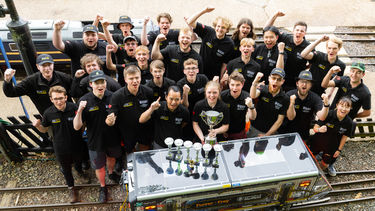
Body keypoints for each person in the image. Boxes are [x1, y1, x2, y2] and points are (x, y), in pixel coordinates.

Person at [32, 86, 88, 203]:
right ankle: (71, 189)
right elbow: (44, 129)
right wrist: (38, 126)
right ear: (51, 99)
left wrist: (81, 133)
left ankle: (80, 172)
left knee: (79, 161)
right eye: (55, 99)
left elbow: (82, 124)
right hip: (60, 146)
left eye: (61, 98)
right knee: (66, 168)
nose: (59, 101)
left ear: (66, 97)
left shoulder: (74, 108)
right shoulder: (48, 113)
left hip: (77, 143)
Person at [73, 70, 122, 203]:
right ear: (91, 84)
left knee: (111, 158)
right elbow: (77, 126)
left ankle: (111, 173)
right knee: (99, 167)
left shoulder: (114, 97)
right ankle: (102, 187)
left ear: (106, 83)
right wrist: (80, 111)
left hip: (113, 138)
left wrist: (114, 120)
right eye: (97, 83)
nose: (100, 85)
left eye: (102, 82)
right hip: (95, 142)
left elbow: (120, 117)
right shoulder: (84, 100)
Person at [3, 54, 72, 115]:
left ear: (53, 64)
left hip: (68, 115)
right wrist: (7, 80)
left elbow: (76, 92)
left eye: (49, 65)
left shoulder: (64, 78)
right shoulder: (31, 81)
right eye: (43, 65)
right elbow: (10, 93)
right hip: (49, 119)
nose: (47, 68)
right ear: (38, 67)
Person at [107, 65, 154, 152]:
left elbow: (152, 112)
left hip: (145, 130)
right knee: (131, 155)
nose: (135, 81)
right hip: (127, 132)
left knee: (144, 154)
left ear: (140, 77)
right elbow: (111, 116)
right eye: (131, 78)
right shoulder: (117, 96)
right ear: (125, 79)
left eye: (137, 78)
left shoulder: (148, 92)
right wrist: (110, 120)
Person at [264, 11, 311, 91]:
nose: (299, 32)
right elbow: (266, 29)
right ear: (293, 31)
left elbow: (312, 62)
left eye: (302, 31)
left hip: (294, 81)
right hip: (280, 77)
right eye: (297, 30)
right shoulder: (286, 38)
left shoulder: (308, 46)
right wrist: (275, 15)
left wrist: (306, 68)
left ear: (305, 33)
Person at [310, 96, 354, 176]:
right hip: (317, 141)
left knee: (325, 164)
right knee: (310, 158)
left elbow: (345, 136)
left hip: (332, 145)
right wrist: (319, 130)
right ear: (337, 105)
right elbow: (315, 127)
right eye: (342, 105)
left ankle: (316, 172)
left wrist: (339, 150)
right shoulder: (328, 114)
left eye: (347, 107)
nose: (344, 109)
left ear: (350, 108)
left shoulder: (349, 122)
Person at [187, 6, 234, 80]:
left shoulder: (229, 44)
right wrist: (204, 10)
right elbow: (190, 21)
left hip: (214, 77)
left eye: (223, 27)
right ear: (215, 26)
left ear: (227, 30)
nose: (220, 29)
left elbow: (224, 64)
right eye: (218, 26)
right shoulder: (208, 31)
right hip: (200, 72)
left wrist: (221, 79)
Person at [280, 70, 330, 140]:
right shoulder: (289, 95)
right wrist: (292, 103)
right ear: (297, 83)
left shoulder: (315, 98)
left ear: (311, 85)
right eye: (302, 81)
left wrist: (326, 105)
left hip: (303, 135)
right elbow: (290, 117)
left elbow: (321, 117)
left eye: (307, 82)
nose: (304, 84)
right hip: (286, 133)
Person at [248, 68, 289, 137]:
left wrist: (267, 135)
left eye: (279, 79)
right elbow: (253, 95)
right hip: (254, 128)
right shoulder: (262, 88)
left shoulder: (285, 98)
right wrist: (255, 82)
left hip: (269, 132)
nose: (275, 81)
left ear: (283, 81)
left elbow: (279, 121)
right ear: (269, 78)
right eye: (273, 78)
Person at [177, 59, 209, 140]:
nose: (191, 71)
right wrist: (185, 93)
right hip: (188, 114)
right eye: (188, 68)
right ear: (184, 71)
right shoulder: (180, 84)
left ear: (197, 70)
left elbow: (209, 97)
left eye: (193, 68)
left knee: (202, 136)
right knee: (189, 137)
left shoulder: (203, 79)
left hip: (202, 113)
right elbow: (184, 106)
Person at [221, 71, 256, 140]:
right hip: (223, 132)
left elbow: (253, 117)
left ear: (242, 84)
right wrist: (221, 130)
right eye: (232, 85)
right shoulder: (222, 96)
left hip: (239, 132)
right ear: (229, 84)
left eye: (238, 85)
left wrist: (251, 106)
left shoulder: (247, 97)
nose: (234, 88)